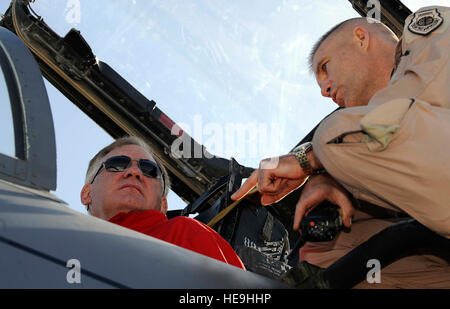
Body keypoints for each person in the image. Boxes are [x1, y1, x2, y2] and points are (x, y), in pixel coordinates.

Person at [232, 6, 450, 288]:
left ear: (361, 38)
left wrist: (313, 159)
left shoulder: (423, 32)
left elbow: (425, 92)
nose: (324, 89)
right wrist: (336, 175)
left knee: (333, 134)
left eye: (325, 66)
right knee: (327, 252)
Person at [80, 135, 245, 269]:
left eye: (149, 170)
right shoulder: (65, 252)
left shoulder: (185, 235)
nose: (134, 171)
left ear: (163, 206)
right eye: (117, 164)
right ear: (87, 193)